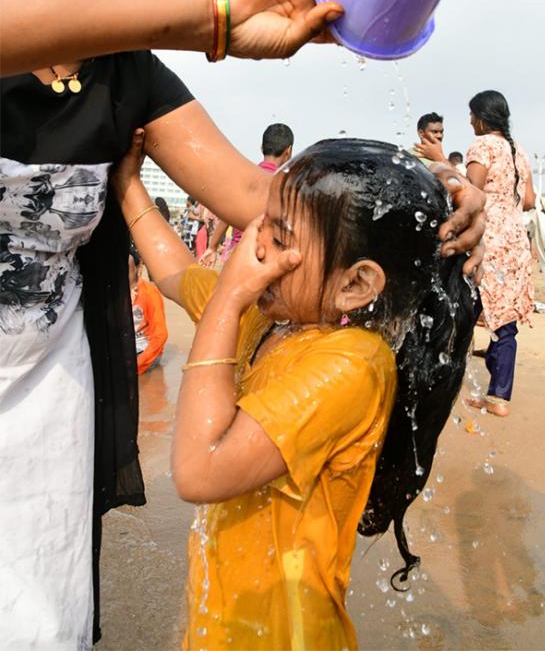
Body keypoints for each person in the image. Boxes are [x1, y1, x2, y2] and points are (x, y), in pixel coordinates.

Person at [0, 0, 484, 647]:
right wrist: (215, 14)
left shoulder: (132, 77)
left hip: (40, 400)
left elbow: (267, 205)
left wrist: (429, 197)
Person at [112, 130, 476, 651]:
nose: (257, 248)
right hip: (222, 623)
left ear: (356, 284)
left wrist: (228, 301)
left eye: (281, 241)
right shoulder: (272, 318)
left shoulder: (352, 365)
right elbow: (174, 272)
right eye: (262, 226)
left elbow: (199, 471)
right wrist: (127, 183)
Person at [464, 91, 535, 418]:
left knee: (464, 305)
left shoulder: (482, 147)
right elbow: (531, 200)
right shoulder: (517, 150)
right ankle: (499, 396)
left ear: (481, 117)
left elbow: (472, 195)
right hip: (516, 240)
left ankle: (442, 378)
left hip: (488, 239)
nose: (469, 122)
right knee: (504, 319)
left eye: (471, 115)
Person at [202, 123, 295, 266]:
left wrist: (212, 247)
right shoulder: (286, 186)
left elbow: (227, 215)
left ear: (262, 147)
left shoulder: (245, 178)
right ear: (288, 151)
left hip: (236, 255)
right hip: (264, 260)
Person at [128, 249, 168, 374]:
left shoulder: (150, 293)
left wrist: (137, 366)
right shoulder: (111, 294)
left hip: (144, 350)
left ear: (138, 268)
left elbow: (160, 335)